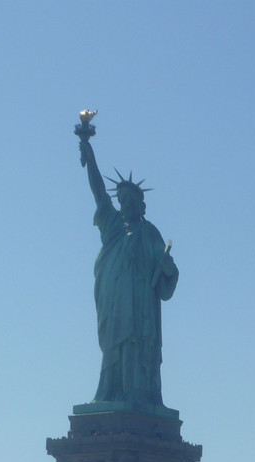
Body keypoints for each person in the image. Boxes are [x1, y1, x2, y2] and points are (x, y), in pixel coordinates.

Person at [79, 135, 178, 409]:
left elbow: (165, 271)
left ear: (140, 205)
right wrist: (90, 158)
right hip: (113, 301)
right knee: (114, 348)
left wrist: (169, 269)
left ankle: (139, 395)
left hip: (140, 309)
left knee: (137, 347)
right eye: (121, 199)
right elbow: (99, 192)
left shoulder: (149, 233)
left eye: (130, 200)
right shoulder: (112, 226)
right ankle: (111, 393)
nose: (124, 204)